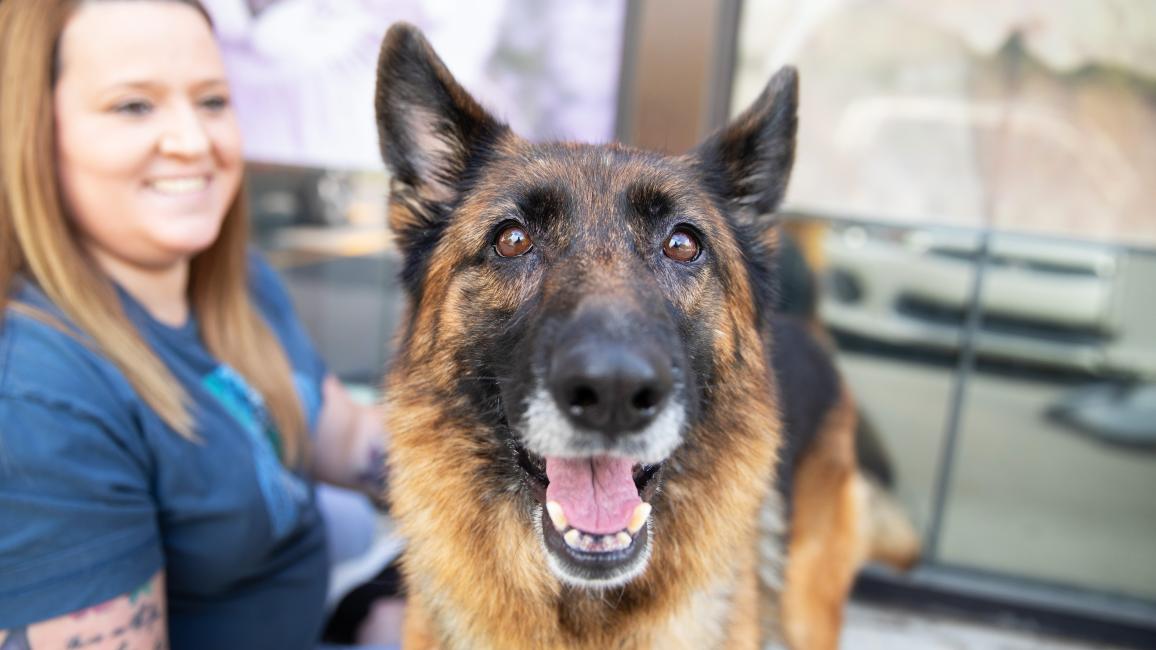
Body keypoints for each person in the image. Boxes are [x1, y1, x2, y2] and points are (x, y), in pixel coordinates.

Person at [0, 1, 392, 648]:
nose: (193, 141)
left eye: (211, 101)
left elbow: (343, 435)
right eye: (134, 106)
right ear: (34, 134)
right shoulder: (39, 399)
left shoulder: (237, 281)